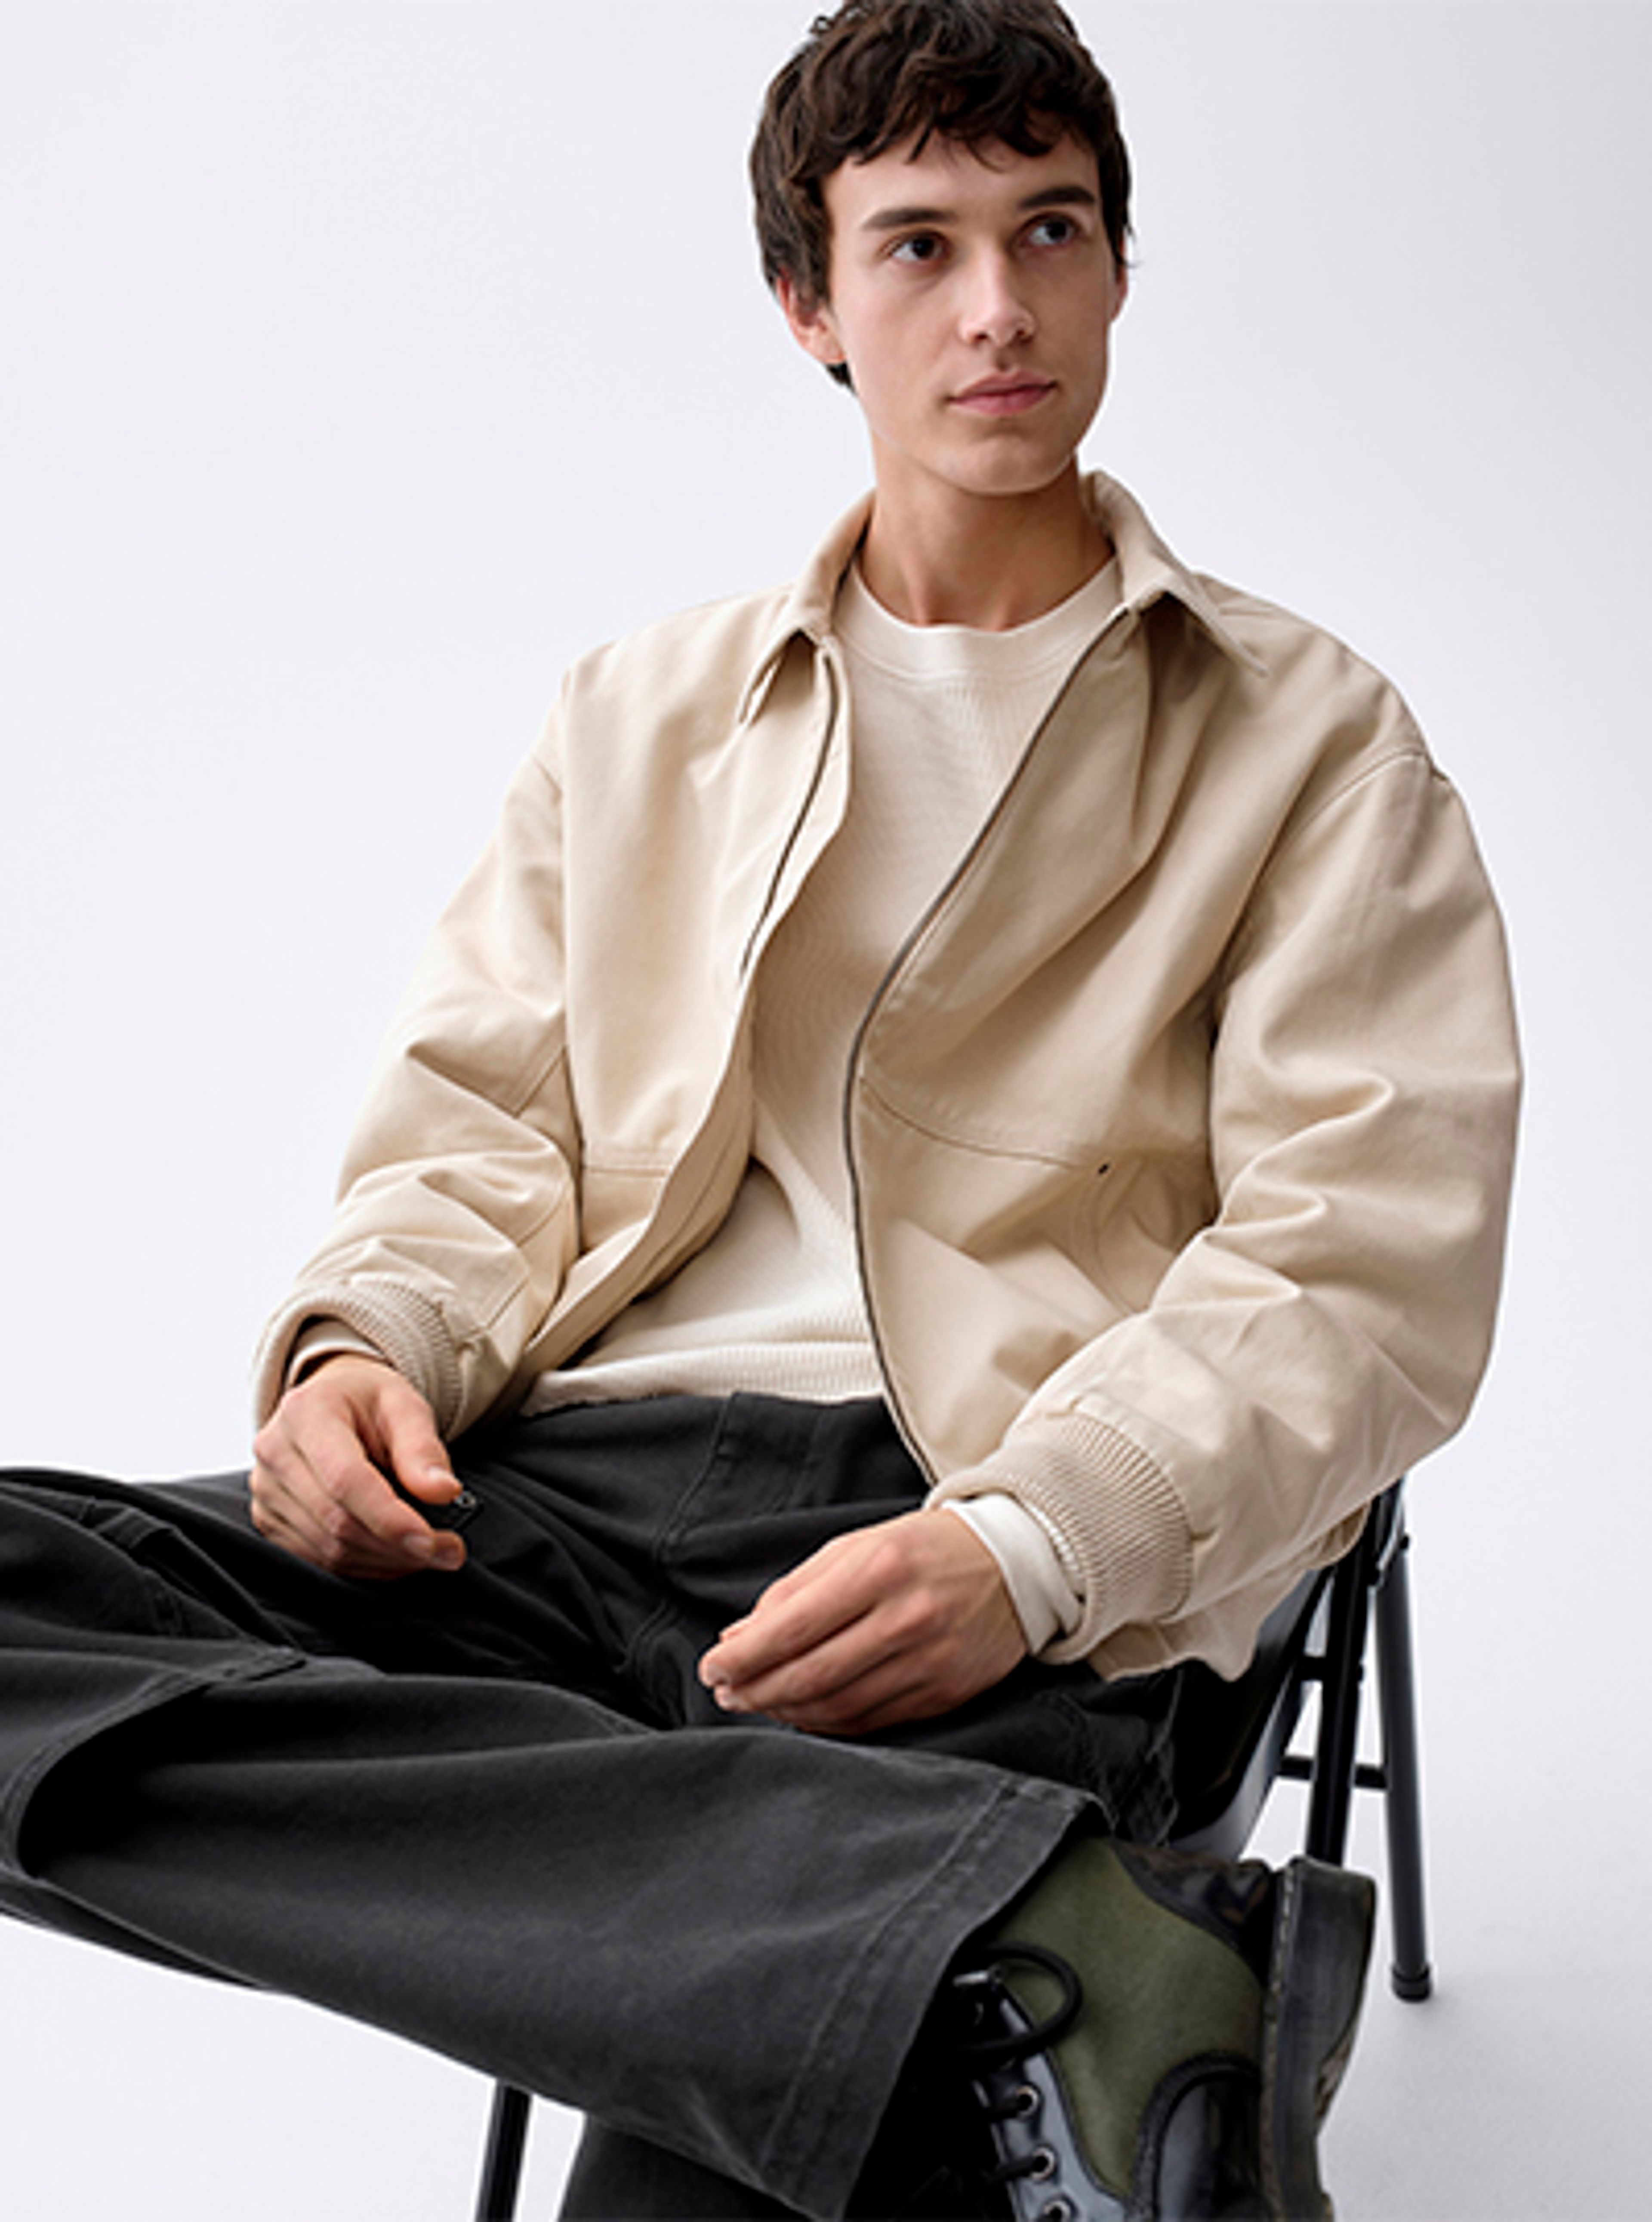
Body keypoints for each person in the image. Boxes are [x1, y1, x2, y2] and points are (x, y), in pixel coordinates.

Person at [0, 2, 1519, 2216]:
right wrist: (356, 1348)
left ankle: (877, 1927)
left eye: (1050, 230)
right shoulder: (643, 714)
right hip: (560, 1498)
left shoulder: (1314, 744)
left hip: (984, 1526)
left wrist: (1031, 1544)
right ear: (810, 303)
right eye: (919, 246)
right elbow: (483, 1126)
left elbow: (1363, 1265)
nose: (997, 307)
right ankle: (1004, 1932)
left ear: (1118, 267)